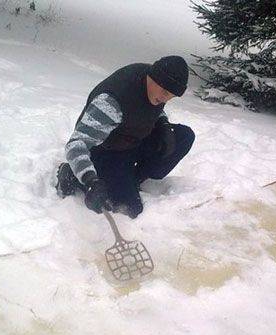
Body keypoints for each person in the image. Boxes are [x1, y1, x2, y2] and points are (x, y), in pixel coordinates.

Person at [56, 56, 195, 218]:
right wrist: (90, 181)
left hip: (132, 140)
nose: (165, 99)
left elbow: (149, 108)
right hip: (107, 150)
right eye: (165, 92)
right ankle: (73, 174)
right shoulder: (111, 102)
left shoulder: (155, 86)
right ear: (154, 78)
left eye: (171, 96)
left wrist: (163, 123)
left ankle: (130, 179)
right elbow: (76, 144)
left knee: (183, 137)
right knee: (129, 208)